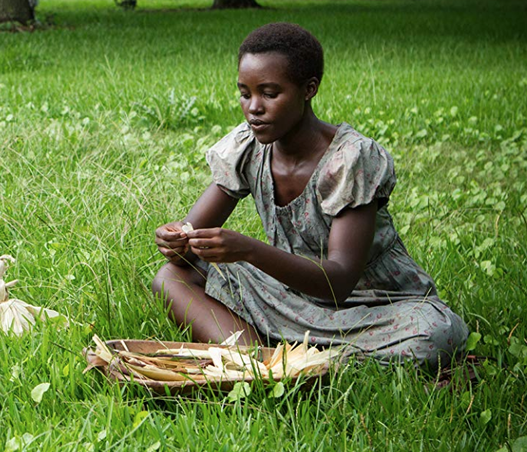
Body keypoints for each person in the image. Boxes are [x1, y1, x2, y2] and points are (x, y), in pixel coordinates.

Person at [152, 22, 468, 369]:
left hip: (374, 307)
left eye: (270, 94)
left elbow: (340, 282)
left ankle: (297, 355)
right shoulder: (247, 148)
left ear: (309, 89)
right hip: (291, 296)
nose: (254, 107)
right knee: (171, 278)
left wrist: (249, 250)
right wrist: (176, 240)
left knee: (435, 334)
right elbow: (187, 245)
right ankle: (261, 364)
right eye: (245, 93)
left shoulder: (349, 160)